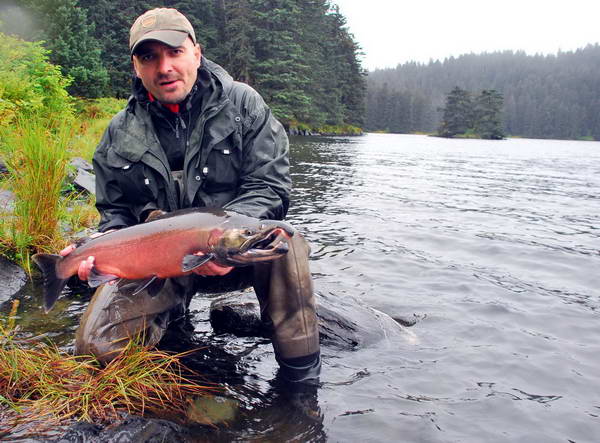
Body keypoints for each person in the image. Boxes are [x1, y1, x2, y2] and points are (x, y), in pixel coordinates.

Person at [62, 8, 320, 383]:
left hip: (238, 252)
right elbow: (116, 213)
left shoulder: (244, 106)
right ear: (136, 66)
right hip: (160, 263)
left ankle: (300, 384)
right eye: (149, 57)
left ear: (196, 53)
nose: (164, 67)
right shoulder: (118, 133)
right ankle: (169, 341)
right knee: (97, 348)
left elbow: (270, 187)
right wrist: (97, 253)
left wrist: (224, 242)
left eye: (174, 52)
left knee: (284, 241)